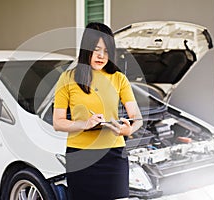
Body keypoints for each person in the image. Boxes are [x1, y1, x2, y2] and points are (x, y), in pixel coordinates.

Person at [53, 22, 143, 200]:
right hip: (80, 156)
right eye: (96, 49)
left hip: (114, 156)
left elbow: (137, 118)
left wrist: (129, 129)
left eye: (107, 51)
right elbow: (58, 122)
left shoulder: (119, 79)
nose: (102, 55)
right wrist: (84, 124)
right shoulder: (67, 78)